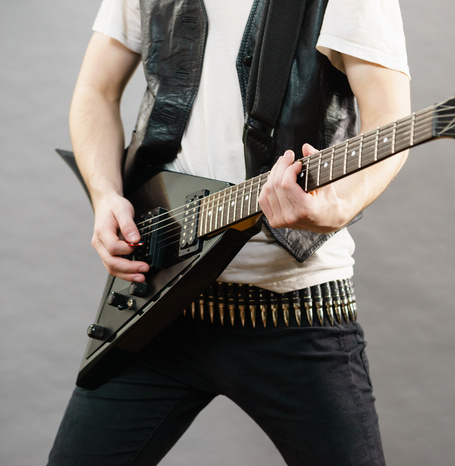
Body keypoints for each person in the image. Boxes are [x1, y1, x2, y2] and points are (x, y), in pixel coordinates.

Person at [48, 0, 410, 465]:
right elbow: (95, 90)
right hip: (157, 307)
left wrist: (334, 208)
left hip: (293, 314)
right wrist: (104, 195)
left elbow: (391, 124)